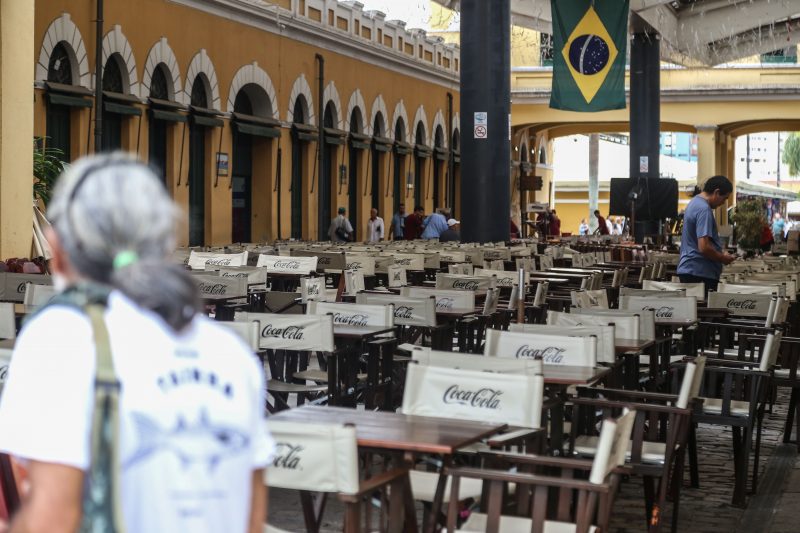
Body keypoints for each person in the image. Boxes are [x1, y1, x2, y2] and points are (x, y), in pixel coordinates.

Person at [0, 154, 273, 532]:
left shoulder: (60, 339)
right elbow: (252, 518)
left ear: (57, 249)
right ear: (165, 247)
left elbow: (53, 520)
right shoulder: (230, 352)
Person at [677, 175, 736, 294]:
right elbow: (703, 247)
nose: (723, 203)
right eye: (724, 198)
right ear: (716, 192)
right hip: (700, 272)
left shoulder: (694, 202)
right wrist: (722, 258)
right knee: (705, 312)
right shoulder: (704, 209)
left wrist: (719, 251)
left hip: (690, 270)